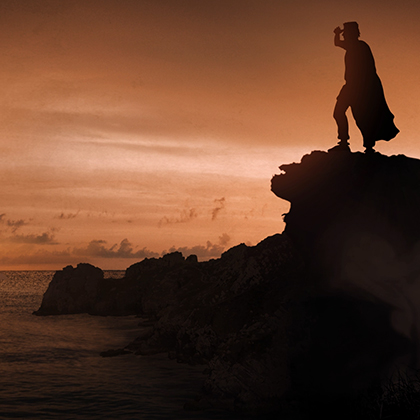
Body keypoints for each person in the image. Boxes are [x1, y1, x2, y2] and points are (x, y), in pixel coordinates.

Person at [330, 22, 399, 153]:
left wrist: (364, 90)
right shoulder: (351, 46)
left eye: (346, 33)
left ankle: (368, 145)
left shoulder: (361, 47)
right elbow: (337, 43)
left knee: (363, 116)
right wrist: (336, 34)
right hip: (350, 86)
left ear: (353, 34)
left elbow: (369, 70)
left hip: (361, 88)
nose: (344, 35)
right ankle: (343, 142)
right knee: (338, 112)